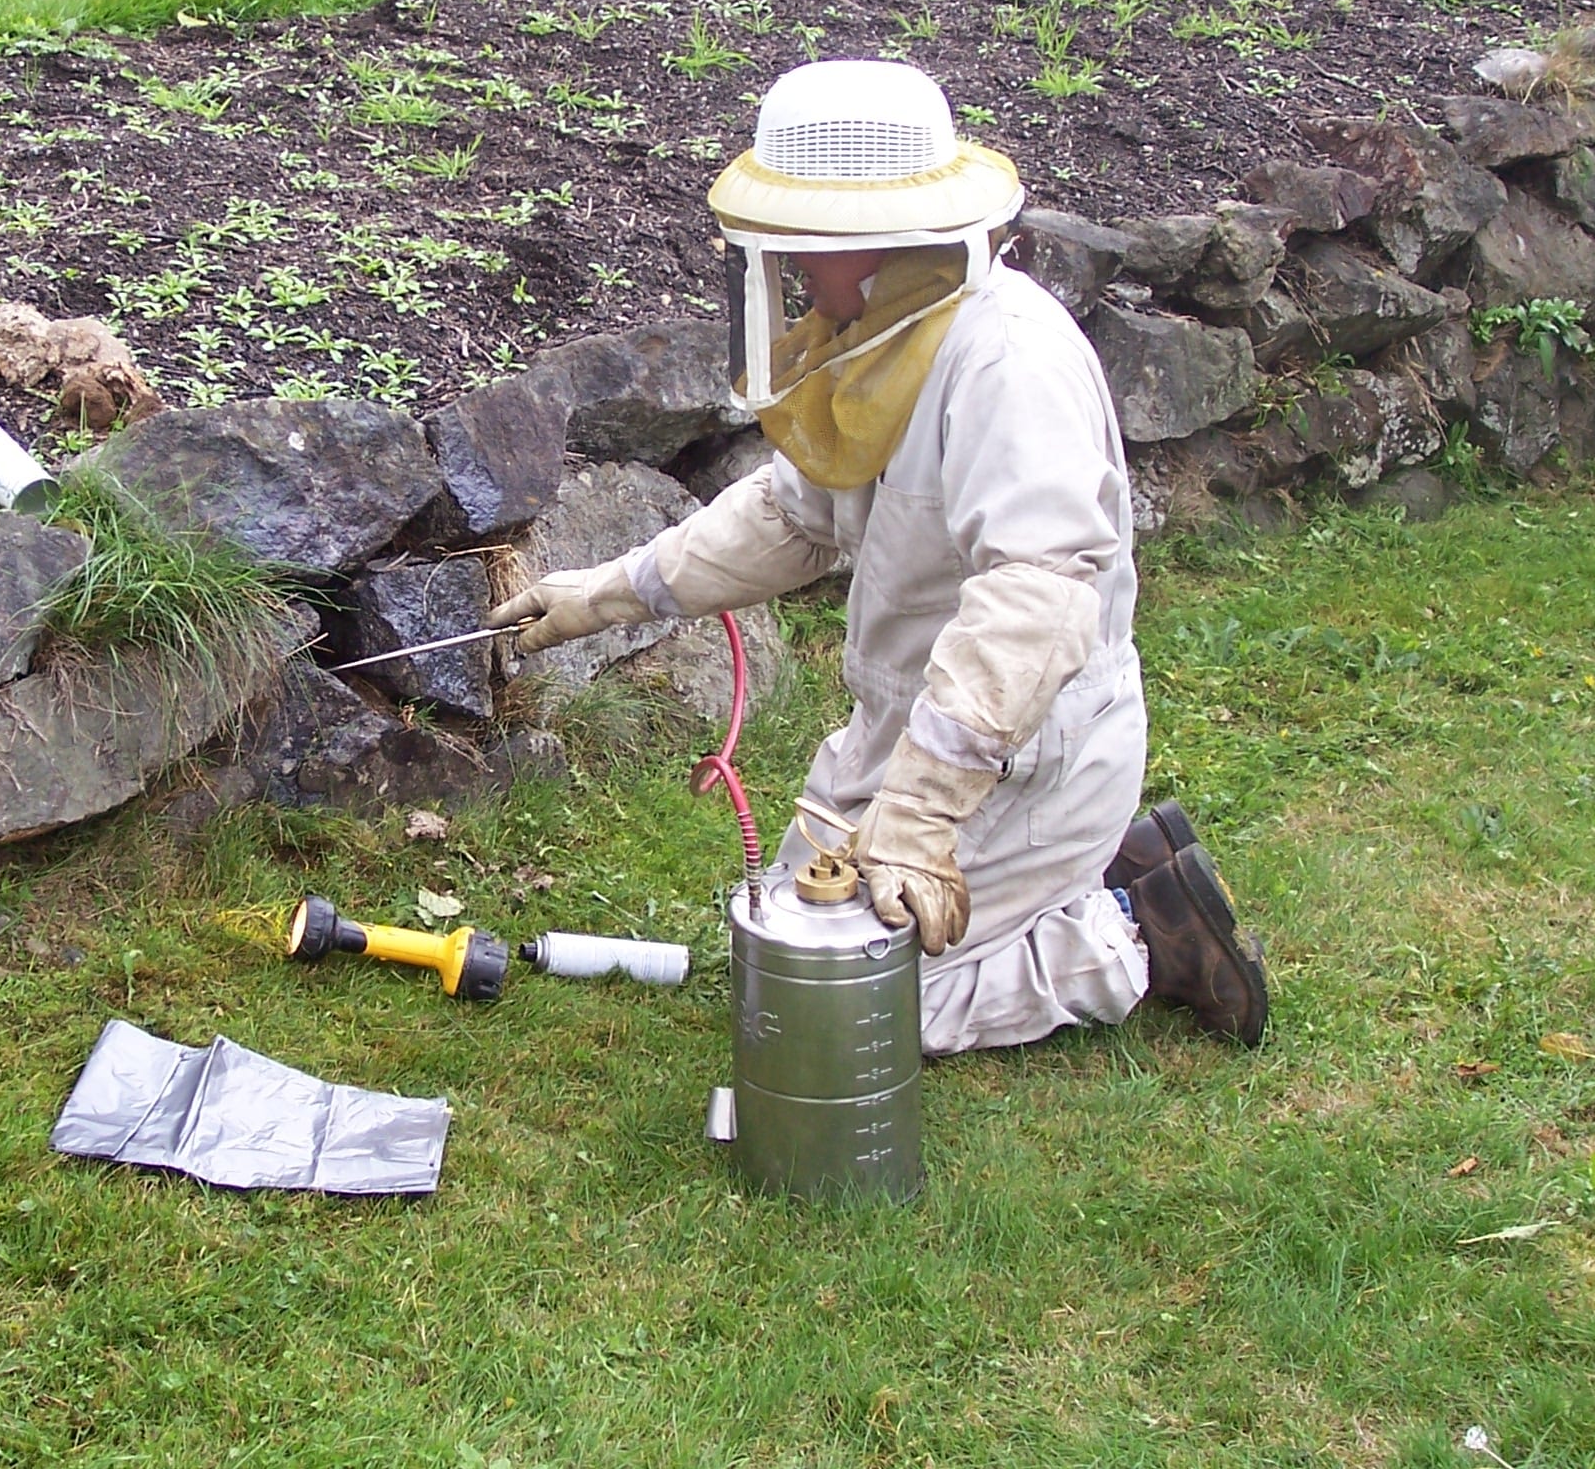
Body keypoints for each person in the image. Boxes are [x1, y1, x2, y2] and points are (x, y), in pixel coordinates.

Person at [487, 61, 1268, 1055]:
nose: (792, 278)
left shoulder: (1006, 361)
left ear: (868, 241)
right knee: (785, 955)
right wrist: (595, 598)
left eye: (802, 250)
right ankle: (1066, 884)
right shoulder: (878, 335)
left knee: (857, 1014)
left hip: (1025, 754)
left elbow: (1038, 597)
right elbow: (791, 514)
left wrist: (920, 821)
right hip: (905, 731)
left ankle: (1134, 933)